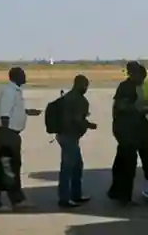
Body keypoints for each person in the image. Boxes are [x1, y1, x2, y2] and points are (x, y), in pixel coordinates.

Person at [0, 67, 41, 211]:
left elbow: (11, 110)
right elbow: (5, 113)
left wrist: (26, 112)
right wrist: (6, 134)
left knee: (1, 167)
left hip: (7, 133)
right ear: (15, 76)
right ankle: (17, 201)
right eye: (22, 74)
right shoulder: (10, 91)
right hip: (8, 134)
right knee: (10, 167)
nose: (25, 76)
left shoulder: (13, 90)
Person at [56, 74, 97, 209]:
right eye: (85, 86)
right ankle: (65, 198)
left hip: (65, 135)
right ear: (80, 85)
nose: (86, 89)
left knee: (76, 166)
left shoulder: (67, 97)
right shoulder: (78, 100)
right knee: (68, 168)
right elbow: (77, 119)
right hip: (69, 137)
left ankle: (75, 195)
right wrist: (89, 125)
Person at [108, 62, 144, 205]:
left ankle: (115, 191)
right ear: (133, 73)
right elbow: (121, 106)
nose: (142, 80)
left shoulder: (127, 86)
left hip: (122, 128)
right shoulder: (127, 87)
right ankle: (124, 196)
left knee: (120, 161)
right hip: (126, 130)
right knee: (129, 163)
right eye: (141, 76)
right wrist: (138, 111)